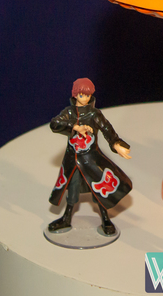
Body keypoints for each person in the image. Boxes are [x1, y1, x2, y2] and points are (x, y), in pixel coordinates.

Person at [48, 77, 132, 235]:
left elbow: (107, 129)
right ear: (75, 95)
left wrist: (116, 144)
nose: (85, 98)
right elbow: (54, 124)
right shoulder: (69, 112)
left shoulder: (94, 114)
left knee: (99, 190)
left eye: (87, 95)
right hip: (73, 161)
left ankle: (105, 219)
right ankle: (66, 218)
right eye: (81, 95)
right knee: (72, 189)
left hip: (92, 159)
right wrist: (75, 127)